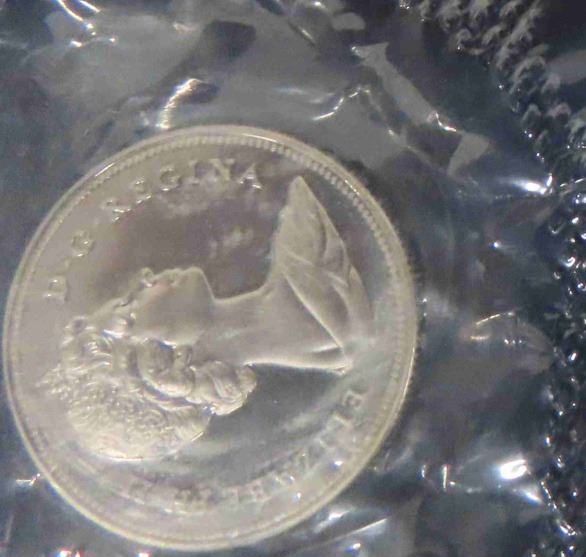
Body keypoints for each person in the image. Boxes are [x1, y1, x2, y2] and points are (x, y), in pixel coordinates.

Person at [39, 177, 373, 463]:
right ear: (160, 366)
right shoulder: (308, 243)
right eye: (130, 304)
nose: (143, 278)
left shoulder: (330, 335)